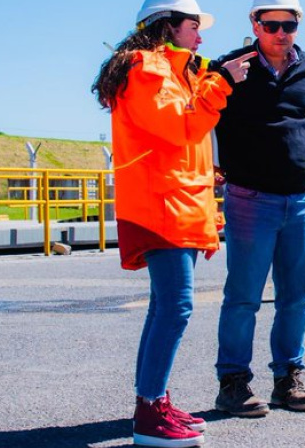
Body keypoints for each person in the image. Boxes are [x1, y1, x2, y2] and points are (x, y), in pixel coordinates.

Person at [92, 0, 254, 446]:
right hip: (162, 205)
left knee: (164, 308)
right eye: (194, 26)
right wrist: (220, 83)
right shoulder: (146, 68)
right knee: (176, 308)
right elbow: (181, 127)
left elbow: (184, 138)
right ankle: (149, 414)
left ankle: (154, 401)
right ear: (169, 26)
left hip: (174, 201)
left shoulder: (173, 71)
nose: (200, 36)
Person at [209, 0, 305, 417]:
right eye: (272, 24)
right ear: (255, 24)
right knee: (243, 296)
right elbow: (205, 116)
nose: (281, 32)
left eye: (289, 25)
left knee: (296, 297)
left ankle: (288, 379)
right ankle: (233, 383)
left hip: (299, 200)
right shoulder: (229, 67)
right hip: (249, 199)